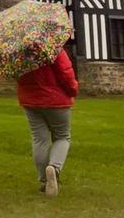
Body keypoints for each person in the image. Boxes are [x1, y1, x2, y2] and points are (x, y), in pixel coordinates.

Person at [17, 47, 78, 197]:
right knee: (62, 136)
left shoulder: (17, 53)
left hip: (30, 101)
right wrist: (73, 89)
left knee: (39, 139)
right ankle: (54, 168)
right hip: (56, 100)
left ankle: (45, 181)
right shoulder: (53, 49)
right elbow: (66, 73)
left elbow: (16, 75)